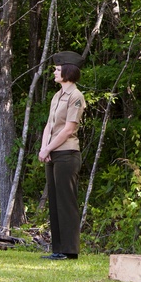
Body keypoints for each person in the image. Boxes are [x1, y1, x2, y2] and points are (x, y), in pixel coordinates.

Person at [39, 50, 86, 260]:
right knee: (55, 201)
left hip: (67, 153)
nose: (55, 73)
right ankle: (58, 249)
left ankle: (70, 250)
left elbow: (68, 129)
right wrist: (44, 148)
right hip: (53, 152)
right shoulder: (57, 95)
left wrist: (49, 148)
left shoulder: (76, 96)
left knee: (66, 202)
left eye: (58, 70)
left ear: (67, 72)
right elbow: (50, 124)